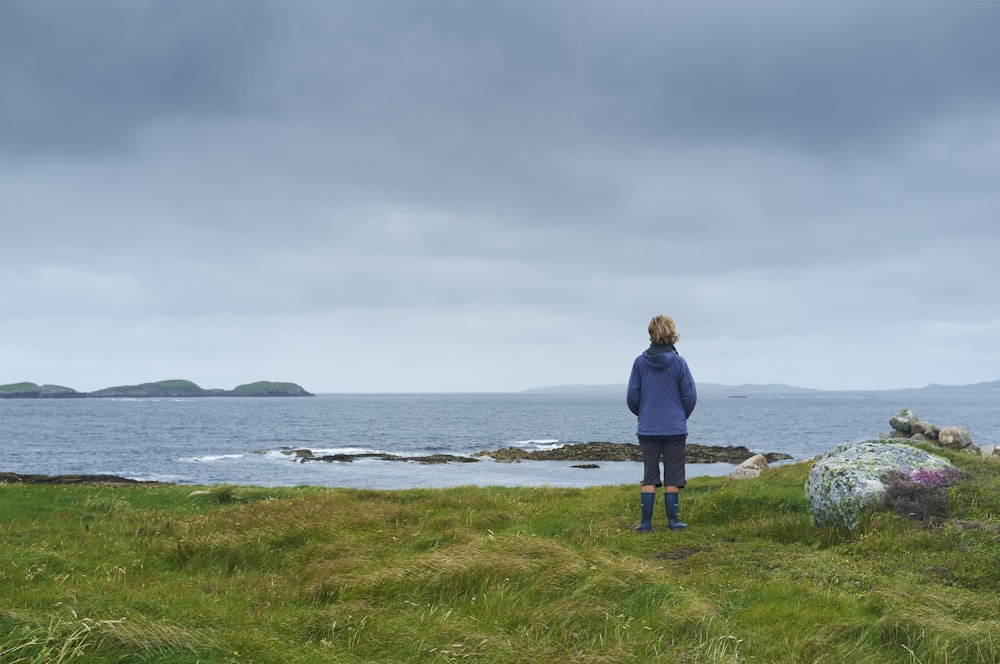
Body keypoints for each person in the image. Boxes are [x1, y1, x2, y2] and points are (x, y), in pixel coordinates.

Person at [627, 315, 697, 532]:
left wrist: (644, 414)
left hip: (648, 427)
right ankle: (673, 522)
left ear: (651, 333)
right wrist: (679, 416)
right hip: (674, 428)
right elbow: (690, 396)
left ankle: (645, 523)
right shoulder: (679, 363)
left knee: (649, 474)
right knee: (673, 474)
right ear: (671, 333)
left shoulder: (640, 363)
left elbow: (632, 396)